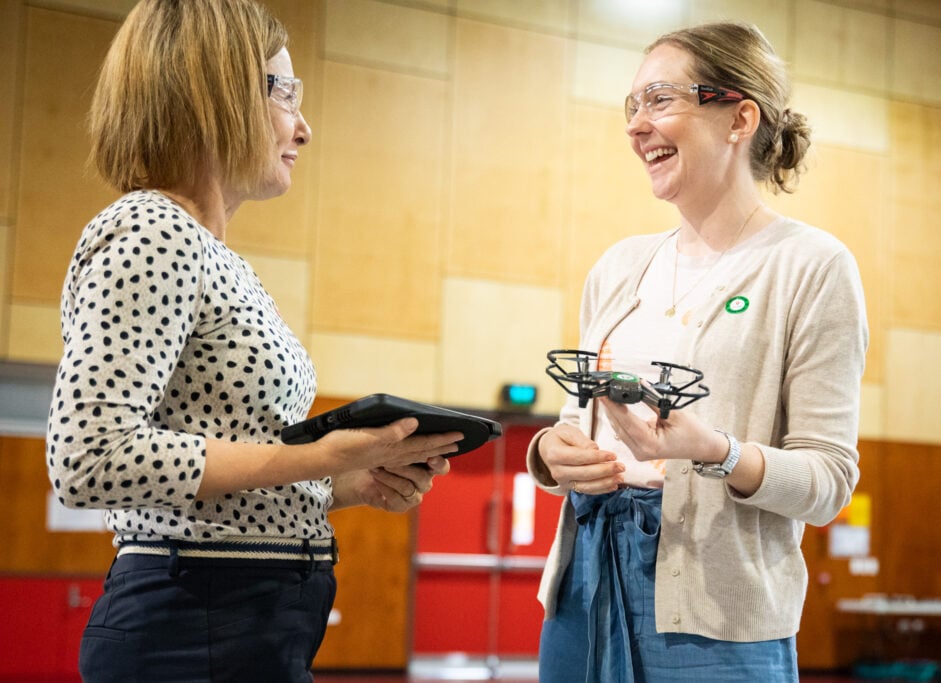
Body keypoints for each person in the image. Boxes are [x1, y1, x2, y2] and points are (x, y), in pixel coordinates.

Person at [45, 1, 461, 680]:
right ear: (217, 94)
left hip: (239, 617)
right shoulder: (152, 230)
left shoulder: (212, 254)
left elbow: (214, 475)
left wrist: (341, 481)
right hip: (194, 620)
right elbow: (90, 456)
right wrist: (315, 457)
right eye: (285, 92)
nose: (304, 126)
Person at [528, 22, 868, 682]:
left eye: (659, 99)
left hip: (717, 615)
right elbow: (575, 426)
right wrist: (551, 452)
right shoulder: (617, 266)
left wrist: (716, 451)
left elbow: (828, 482)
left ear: (740, 117)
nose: (636, 126)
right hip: (584, 584)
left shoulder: (811, 266)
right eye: (633, 106)